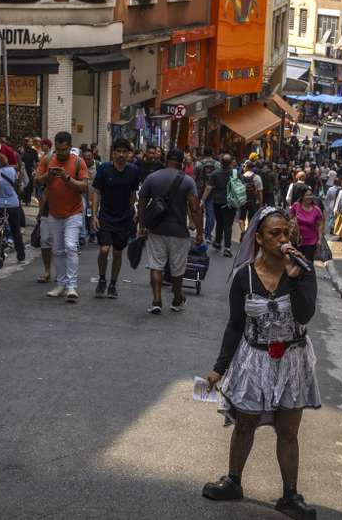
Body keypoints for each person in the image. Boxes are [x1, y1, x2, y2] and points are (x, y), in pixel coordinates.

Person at [202, 207, 320, 519]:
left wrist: (294, 281)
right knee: (245, 423)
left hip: (292, 360)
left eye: (286, 232)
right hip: (254, 359)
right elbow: (235, 324)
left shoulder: (303, 269)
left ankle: (290, 495)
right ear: (259, 238)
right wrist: (219, 367)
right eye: (275, 233)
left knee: (288, 430)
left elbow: (305, 315)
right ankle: (233, 481)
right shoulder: (244, 276)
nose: (283, 239)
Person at [138, 149, 203, 314]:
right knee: (177, 269)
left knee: (156, 266)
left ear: (165, 160)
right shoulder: (188, 181)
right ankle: (176, 299)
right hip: (179, 231)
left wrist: (142, 226)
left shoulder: (152, 178)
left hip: (156, 230)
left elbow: (142, 204)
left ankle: (156, 301)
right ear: (182, 162)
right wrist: (200, 232)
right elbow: (195, 208)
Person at [34, 131, 89, 302]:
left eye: (64, 150)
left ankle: (72, 286)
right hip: (54, 213)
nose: (61, 153)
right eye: (58, 150)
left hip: (74, 212)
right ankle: (61, 283)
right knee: (57, 249)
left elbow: (84, 187)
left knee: (70, 246)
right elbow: (37, 181)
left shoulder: (79, 162)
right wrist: (47, 177)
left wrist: (67, 179)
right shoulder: (47, 160)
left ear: (70, 147)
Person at [91, 138, 140, 299]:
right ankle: (102, 279)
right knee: (104, 249)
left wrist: (133, 212)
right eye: (118, 151)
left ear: (129, 154)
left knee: (118, 253)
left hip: (123, 217)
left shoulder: (133, 171)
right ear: (113, 153)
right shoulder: (104, 169)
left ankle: (112, 283)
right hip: (105, 216)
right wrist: (94, 215)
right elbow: (97, 191)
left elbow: (133, 194)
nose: (121, 154)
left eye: (124, 152)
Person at [203, 154, 237, 257]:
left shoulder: (215, 173)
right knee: (228, 224)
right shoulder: (235, 173)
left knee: (220, 222)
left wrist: (202, 200)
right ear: (231, 163)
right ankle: (227, 247)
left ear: (221, 163)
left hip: (217, 201)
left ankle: (218, 242)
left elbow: (209, 188)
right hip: (231, 202)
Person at [0, 154, 27, 263]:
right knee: (16, 230)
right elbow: (16, 183)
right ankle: (21, 254)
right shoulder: (11, 171)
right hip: (13, 203)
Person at [289, 183, 323, 264]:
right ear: (302, 196)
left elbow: (320, 225)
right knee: (296, 263)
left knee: (308, 263)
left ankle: (309, 277)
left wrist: (320, 239)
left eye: (310, 195)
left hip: (311, 241)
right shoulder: (296, 206)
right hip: (297, 240)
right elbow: (290, 219)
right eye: (307, 195)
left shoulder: (316, 209)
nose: (309, 197)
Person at [238, 161, 263, 233]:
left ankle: (243, 231)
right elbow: (260, 191)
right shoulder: (257, 177)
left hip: (242, 200)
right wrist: (261, 203)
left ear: (246, 167)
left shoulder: (241, 177)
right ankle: (248, 231)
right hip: (253, 201)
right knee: (251, 218)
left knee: (241, 218)